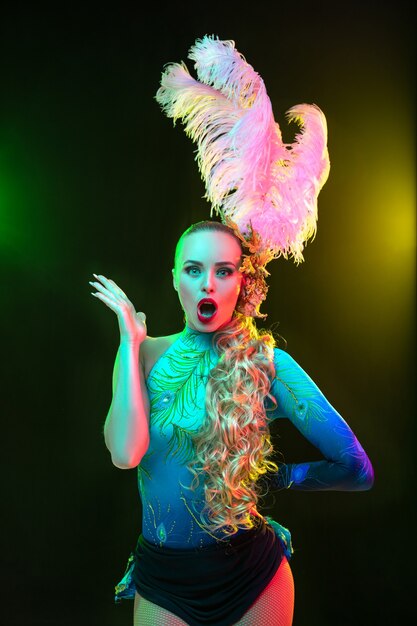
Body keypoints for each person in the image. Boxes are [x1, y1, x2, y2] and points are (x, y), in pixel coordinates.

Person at [90, 36, 374, 626]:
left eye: (223, 271)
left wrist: (283, 477)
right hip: (164, 579)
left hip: (253, 578)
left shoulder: (268, 364)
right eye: (193, 270)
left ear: (241, 283)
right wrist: (126, 340)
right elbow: (125, 453)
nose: (208, 285)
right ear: (175, 281)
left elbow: (355, 467)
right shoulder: (145, 356)